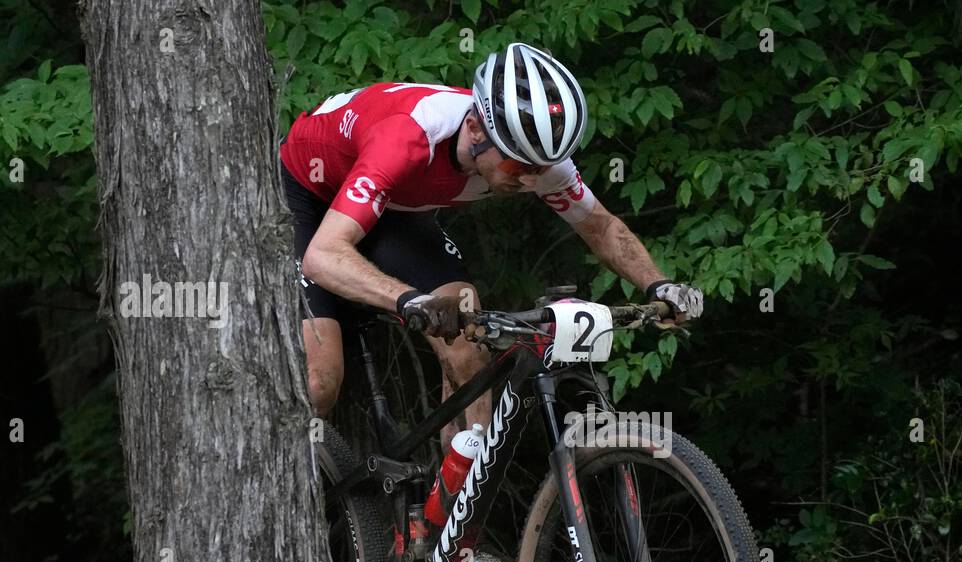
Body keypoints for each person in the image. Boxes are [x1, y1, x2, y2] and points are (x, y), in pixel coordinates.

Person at [279, 41, 704, 428]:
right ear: (477, 130)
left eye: (540, 169)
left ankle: (454, 502)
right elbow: (323, 254)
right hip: (309, 198)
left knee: (467, 344)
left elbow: (601, 226)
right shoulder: (408, 136)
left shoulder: (532, 155)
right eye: (519, 168)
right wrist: (412, 300)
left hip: (396, 208)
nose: (530, 181)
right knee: (319, 383)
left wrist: (660, 284)